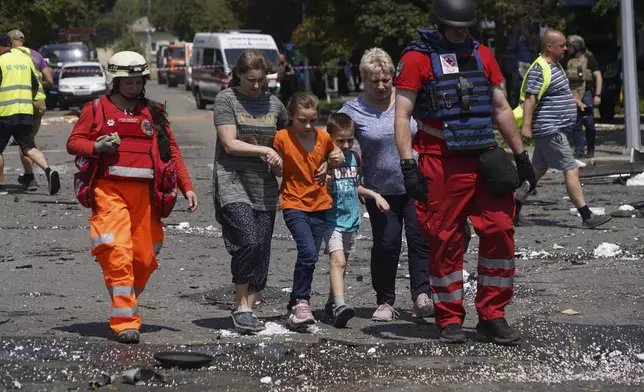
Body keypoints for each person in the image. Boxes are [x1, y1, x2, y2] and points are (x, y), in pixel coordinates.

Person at [394, 0, 537, 345]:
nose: (461, 31)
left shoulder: (482, 55)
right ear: (439, 24)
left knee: (501, 229)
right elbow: (402, 115)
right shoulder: (416, 59)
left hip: (484, 156)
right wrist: (407, 164)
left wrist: (521, 156)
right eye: (454, 26)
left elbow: (501, 107)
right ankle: (449, 318)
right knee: (445, 239)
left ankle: (492, 315)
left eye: (465, 26)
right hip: (439, 157)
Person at [66, 51, 198, 344]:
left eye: (138, 81)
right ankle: (126, 321)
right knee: (119, 251)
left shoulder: (153, 112)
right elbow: (73, 142)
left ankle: (122, 292)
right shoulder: (96, 109)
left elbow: (172, 152)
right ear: (116, 80)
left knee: (144, 256)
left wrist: (187, 186)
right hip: (108, 190)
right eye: (128, 81)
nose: (134, 87)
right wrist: (95, 147)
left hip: (146, 196)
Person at [339, 48, 436, 322]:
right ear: (363, 80)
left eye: (386, 79)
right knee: (387, 243)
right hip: (380, 190)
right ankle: (385, 301)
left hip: (416, 184)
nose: (381, 86)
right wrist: (348, 168)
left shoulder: (408, 102)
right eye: (374, 81)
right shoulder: (353, 110)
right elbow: (335, 142)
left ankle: (422, 296)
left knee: (420, 240)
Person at [213, 49, 290, 334]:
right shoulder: (226, 99)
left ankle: (249, 308)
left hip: (265, 185)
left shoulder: (274, 104)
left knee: (262, 247)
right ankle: (240, 305)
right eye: (250, 80)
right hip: (232, 179)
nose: (256, 86)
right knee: (247, 240)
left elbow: (290, 139)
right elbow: (230, 143)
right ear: (238, 76)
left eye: (260, 80)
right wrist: (265, 149)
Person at [515, 30, 612, 230]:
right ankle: (587, 216)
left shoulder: (555, 66)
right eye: (562, 45)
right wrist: (526, 127)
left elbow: (560, 91)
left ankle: (512, 210)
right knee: (571, 168)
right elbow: (530, 98)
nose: (566, 48)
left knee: (535, 173)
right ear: (549, 47)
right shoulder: (539, 68)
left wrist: (577, 103)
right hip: (550, 129)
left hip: (552, 128)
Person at [272, 91, 344, 330]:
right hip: (293, 203)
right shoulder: (282, 137)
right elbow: (276, 171)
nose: (308, 125)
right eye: (302, 120)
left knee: (310, 257)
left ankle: (297, 302)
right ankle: (302, 300)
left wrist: (329, 163)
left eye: (313, 120)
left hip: (320, 204)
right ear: (291, 116)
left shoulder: (323, 138)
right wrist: (275, 165)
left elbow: (338, 155)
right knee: (308, 252)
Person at [323, 112, 390, 328]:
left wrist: (374, 195)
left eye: (349, 140)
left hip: (351, 220)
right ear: (329, 138)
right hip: (331, 219)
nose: (345, 145)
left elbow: (355, 185)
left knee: (342, 265)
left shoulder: (355, 158)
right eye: (340, 140)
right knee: (338, 261)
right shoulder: (325, 160)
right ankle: (341, 306)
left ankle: (331, 303)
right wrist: (325, 179)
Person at [0, 34, 59, 196]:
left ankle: (1, 186)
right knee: (29, 147)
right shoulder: (25, 60)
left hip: (4, 113)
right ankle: (48, 170)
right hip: (25, 112)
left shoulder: (0, 61)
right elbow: (35, 85)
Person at [563, 35, 602, 158]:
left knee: (588, 122)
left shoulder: (588, 58)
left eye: (570, 46)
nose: (567, 48)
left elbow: (598, 77)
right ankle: (579, 151)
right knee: (575, 124)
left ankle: (590, 149)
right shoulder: (566, 60)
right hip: (572, 96)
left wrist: (597, 95)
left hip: (585, 95)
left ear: (577, 46)